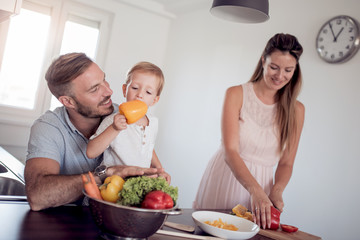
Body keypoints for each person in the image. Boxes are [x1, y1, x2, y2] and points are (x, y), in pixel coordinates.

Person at [25, 53, 165, 211]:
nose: (109, 91)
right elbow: (38, 198)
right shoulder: (48, 128)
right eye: (94, 89)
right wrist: (107, 174)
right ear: (68, 101)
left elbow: (146, 145)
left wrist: (158, 170)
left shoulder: (127, 115)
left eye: (104, 80)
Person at [193, 33, 305, 229]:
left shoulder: (297, 110)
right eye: (274, 67)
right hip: (227, 176)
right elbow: (230, 151)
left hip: (264, 189)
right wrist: (255, 190)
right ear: (263, 61)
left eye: (288, 70)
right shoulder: (236, 94)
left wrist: (276, 190)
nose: (280, 76)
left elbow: (287, 162)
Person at [86, 62, 170, 183]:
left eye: (148, 92)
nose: (140, 95)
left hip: (138, 185)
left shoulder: (153, 122)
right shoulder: (113, 121)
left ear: (155, 100)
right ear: (125, 90)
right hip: (113, 185)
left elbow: (148, 147)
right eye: (135, 88)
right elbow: (91, 152)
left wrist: (159, 169)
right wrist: (114, 128)